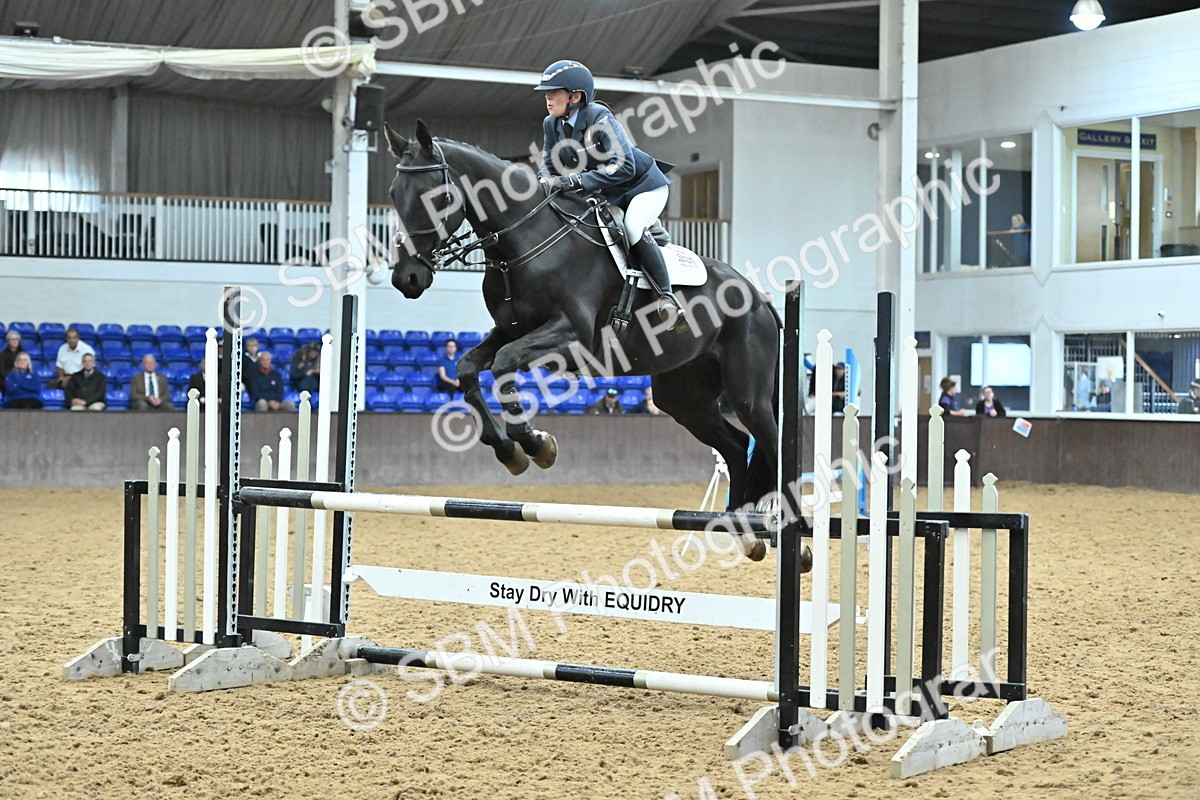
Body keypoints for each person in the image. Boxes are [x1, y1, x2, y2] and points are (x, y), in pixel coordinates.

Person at [534, 59, 684, 329]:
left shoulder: (599, 117)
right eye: (547, 92)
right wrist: (539, 185)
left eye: (554, 92)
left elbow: (624, 166)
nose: (547, 97)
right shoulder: (551, 124)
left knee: (633, 225)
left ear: (575, 97)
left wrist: (576, 180)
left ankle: (667, 297)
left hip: (642, 185)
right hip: (607, 192)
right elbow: (549, 165)